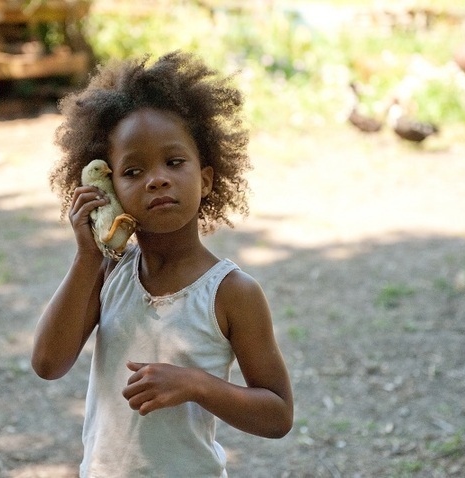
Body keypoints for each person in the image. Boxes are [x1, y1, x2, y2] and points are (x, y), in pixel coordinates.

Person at [31, 50, 293, 477]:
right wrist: (87, 256)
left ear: (206, 179)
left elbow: (278, 414)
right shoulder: (106, 273)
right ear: (107, 186)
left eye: (174, 162)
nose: (157, 179)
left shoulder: (231, 292)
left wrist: (195, 384)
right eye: (133, 171)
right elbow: (48, 364)